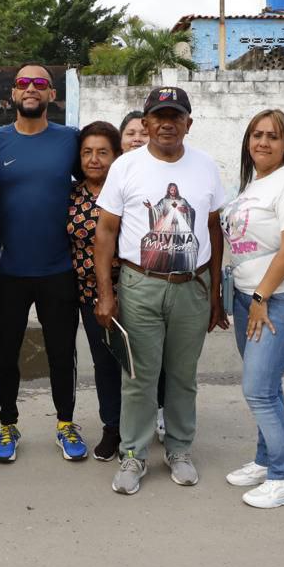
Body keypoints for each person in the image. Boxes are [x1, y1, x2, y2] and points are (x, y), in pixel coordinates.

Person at [94, 86, 228, 495]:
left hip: (192, 285)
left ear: (189, 123)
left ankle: (179, 448)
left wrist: (216, 291)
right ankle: (133, 454)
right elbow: (106, 231)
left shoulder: (205, 166)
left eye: (176, 116)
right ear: (146, 123)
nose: (167, 123)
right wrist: (106, 292)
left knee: (184, 376)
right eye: (159, 116)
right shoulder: (127, 166)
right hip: (140, 285)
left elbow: (212, 229)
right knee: (140, 375)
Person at [0, 63, 85, 463]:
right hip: (7, 271)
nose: (32, 89)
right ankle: (7, 425)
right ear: (13, 93)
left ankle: (65, 423)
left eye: (41, 83)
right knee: (6, 352)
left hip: (60, 269)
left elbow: (97, 181)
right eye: (24, 83)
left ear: (52, 94)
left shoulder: (70, 141)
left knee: (61, 351)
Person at [220, 110, 284, 508]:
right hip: (249, 300)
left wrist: (261, 296)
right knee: (268, 385)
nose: (263, 142)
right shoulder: (252, 186)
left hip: (282, 300)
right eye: (256, 135)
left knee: (257, 389)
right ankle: (265, 461)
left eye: (273, 137)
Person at [68, 120, 124, 461]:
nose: (94, 159)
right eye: (87, 152)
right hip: (88, 295)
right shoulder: (70, 195)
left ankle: (144, 424)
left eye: (102, 152)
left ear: (116, 155)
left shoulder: (127, 191)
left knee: (139, 362)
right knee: (104, 362)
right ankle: (113, 427)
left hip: (131, 290)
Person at [120, 109, 166, 442]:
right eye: (130, 133)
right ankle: (121, 428)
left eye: (142, 132)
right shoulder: (115, 174)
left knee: (160, 359)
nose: (137, 138)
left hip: (151, 278)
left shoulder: (160, 177)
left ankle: (162, 416)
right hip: (115, 282)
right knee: (126, 363)